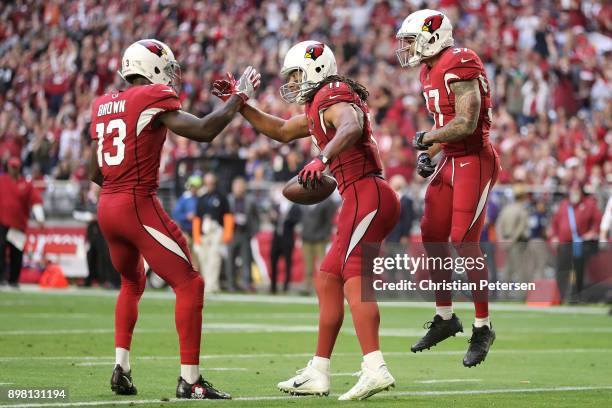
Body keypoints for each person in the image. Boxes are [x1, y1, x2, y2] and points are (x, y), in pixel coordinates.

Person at [214, 40, 400, 400]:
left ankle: (375, 366)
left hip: (367, 194)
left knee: (352, 276)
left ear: (315, 70)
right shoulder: (318, 105)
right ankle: (319, 370)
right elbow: (281, 131)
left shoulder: (332, 92)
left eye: (297, 73)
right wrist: (239, 106)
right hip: (360, 196)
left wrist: (323, 158)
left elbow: (352, 124)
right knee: (328, 277)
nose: (293, 81)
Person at [89, 38, 260, 399]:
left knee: (131, 282)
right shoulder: (148, 97)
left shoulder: (104, 103)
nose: (170, 76)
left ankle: (121, 367)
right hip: (136, 203)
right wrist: (239, 97)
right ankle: (191, 380)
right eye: (166, 69)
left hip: (107, 206)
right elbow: (204, 130)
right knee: (190, 284)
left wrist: (120, 186)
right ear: (149, 68)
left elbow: (94, 171)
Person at [396, 9, 500, 367]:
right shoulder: (428, 69)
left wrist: (428, 138)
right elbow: (446, 125)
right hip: (451, 160)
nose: (407, 48)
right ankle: (444, 317)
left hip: (474, 159)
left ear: (431, 36)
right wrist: (432, 150)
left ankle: (483, 326)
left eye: (411, 40)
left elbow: (467, 122)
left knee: (463, 239)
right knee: (432, 233)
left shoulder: (461, 60)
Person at [550, 181, 602, 302]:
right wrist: (554, 236)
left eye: (576, 189)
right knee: (562, 270)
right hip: (564, 244)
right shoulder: (564, 205)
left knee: (578, 270)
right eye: (572, 190)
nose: (574, 192)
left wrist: (592, 232)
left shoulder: (589, 205)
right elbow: (555, 223)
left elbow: (597, 221)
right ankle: (562, 296)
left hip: (579, 244)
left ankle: (577, 296)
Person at [0, 157, 45, 288]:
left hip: (18, 225)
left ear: (19, 168)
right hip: (2, 223)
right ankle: (1, 278)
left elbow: (36, 200)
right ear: (8, 167)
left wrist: (40, 218)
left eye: (15, 167)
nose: (13, 169)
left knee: (17, 253)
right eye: (11, 166)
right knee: (0, 250)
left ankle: (13, 280)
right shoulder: (2, 180)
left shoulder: (26, 184)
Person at [194, 173, 230, 294]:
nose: (210, 185)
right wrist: (196, 237)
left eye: (212, 183)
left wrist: (226, 235)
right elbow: (197, 218)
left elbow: (228, 216)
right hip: (204, 232)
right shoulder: (202, 198)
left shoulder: (221, 197)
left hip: (216, 231)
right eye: (207, 183)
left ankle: (213, 285)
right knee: (204, 258)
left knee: (214, 258)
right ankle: (206, 284)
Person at [225, 177, 259, 292]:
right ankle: (231, 284)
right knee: (230, 260)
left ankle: (246, 284)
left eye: (241, 186)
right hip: (232, 233)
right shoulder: (228, 199)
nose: (239, 189)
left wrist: (254, 232)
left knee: (246, 260)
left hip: (245, 233)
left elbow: (256, 217)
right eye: (237, 186)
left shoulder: (250, 200)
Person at [300, 196, 337, 295]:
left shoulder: (327, 201)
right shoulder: (306, 201)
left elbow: (329, 221)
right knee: (308, 266)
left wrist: (325, 235)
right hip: (306, 238)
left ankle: (325, 287)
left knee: (322, 265)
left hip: (320, 239)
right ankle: (307, 288)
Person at [269, 197, 302, 294]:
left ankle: (285, 286)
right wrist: (273, 218)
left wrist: (286, 218)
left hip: (287, 238)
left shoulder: (295, 207)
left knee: (288, 263)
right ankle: (273, 286)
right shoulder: (277, 206)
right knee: (273, 261)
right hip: (277, 238)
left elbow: (296, 220)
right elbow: (273, 221)